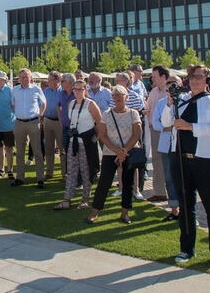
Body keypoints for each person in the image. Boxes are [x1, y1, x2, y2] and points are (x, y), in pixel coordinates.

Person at [162, 64, 210, 271]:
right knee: (186, 207)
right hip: (181, 159)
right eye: (192, 77)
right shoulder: (180, 100)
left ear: (207, 79)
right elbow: (165, 122)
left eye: (200, 77)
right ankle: (187, 248)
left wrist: (191, 127)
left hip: (206, 160)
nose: (196, 80)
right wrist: (168, 104)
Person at [88, 85, 143, 224]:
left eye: (120, 95)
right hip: (109, 153)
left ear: (127, 97)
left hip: (128, 153)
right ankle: (95, 211)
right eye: (115, 95)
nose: (117, 98)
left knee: (128, 182)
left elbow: (137, 134)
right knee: (104, 183)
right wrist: (116, 150)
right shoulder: (106, 114)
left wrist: (124, 151)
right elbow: (102, 135)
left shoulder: (133, 114)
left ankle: (124, 213)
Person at [53, 79, 102, 210]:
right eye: (75, 89)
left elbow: (100, 123)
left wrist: (95, 138)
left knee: (86, 171)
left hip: (86, 142)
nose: (77, 92)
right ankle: (67, 199)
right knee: (71, 171)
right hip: (73, 142)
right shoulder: (71, 104)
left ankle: (85, 198)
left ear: (85, 90)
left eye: (81, 89)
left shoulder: (91, 104)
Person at [152, 76, 182, 220]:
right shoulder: (161, 103)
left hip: (183, 144)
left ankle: (187, 209)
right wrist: (168, 127)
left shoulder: (186, 101)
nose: (171, 85)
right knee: (169, 177)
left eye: (174, 83)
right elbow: (155, 122)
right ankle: (175, 209)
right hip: (166, 143)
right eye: (169, 83)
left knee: (184, 177)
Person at [11, 69, 46, 188]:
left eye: (26, 77)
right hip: (19, 123)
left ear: (30, 78)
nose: (24, 79)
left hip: (33, 122)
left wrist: (40, 116)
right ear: (19, 78)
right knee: (20, 152)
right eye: (22, 77)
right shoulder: (15, 90)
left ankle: (40, 178)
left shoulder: (36, 89)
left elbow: (43, 103)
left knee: (37, 152)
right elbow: (13, 104)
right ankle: (20, 178)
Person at [114, 72, 146, 199]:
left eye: (118, 80)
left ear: (126, 81)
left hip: (132, 135)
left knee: (134, 162)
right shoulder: (114, 96)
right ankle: (121, 187)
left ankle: (136, 189)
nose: (116, 82)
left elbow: (140, 111)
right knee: (120, 162)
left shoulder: (134, 96)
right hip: (118, 135)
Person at [145, 66, 170, 202]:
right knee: (156, 160)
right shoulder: (154, 91)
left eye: (154, 76)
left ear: (163, 77)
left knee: (168, 161)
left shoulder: (170, 92)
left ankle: (171, 192)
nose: (152, 79)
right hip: (154, 130)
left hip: (167, 130)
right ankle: (159, 192)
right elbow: (148, 107)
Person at [42, 71, 65, 179]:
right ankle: (49, 172)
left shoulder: (64, 91)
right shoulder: (45, 91)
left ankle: (64, 173)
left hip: (60, 122)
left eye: (50, 79)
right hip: (47, 121)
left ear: (57, 80)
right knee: (48, 148)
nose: (48, 81)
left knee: (62, 148)